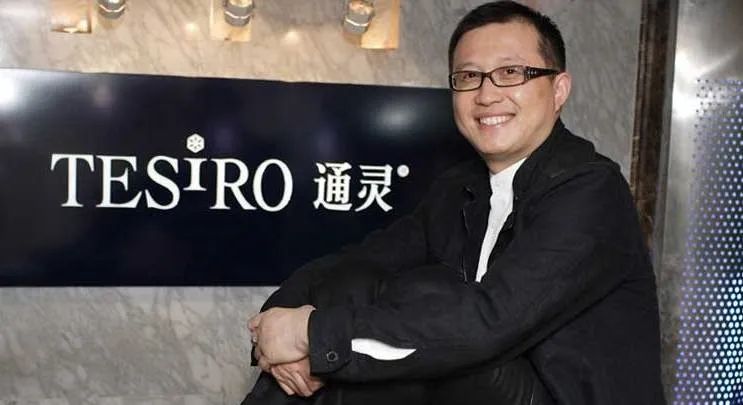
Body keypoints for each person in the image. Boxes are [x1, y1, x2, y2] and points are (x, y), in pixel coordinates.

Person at [242, 1, 666, 404]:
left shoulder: (590, 190)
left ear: (559, 90)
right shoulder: (460, 188)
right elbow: (359, 259)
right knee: (355, 284)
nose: (486, 94)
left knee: (431, 308)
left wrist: (312, 336)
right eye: (468, 77)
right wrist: (277, 321)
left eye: (511, 72)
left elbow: (487, 323)